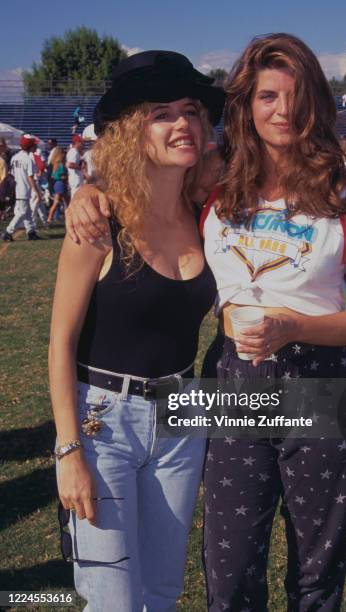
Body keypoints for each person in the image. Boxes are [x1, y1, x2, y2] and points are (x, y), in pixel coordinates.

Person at [64, 35, 346, 611]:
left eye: (296, 95)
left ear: (317, 100)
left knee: (316, 570)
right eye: (267, 96)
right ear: (246, 105)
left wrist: (292, 326)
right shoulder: (220, 178)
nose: (283, 111)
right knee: (229, 564)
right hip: (232, 383)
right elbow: (142, 174)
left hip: (327, 384)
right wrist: (90, 192)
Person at [49, 50, 224, 611]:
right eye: (161, 113)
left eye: (192, 110)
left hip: (181, 417)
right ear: (130, 130)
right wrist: (68, 450)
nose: (183, 124)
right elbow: (59, 343)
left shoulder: (206, 212)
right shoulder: (99, 221)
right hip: (103, 426)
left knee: (161, 592)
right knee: (111, 600)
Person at [2, 134, 42, 242]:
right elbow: (30, 177)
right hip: (23, 190)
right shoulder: (28, 159)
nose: (35, 147)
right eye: (34, 145)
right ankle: (8, 232)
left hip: (16, 188)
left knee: (27, 212)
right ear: (30, 146)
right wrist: (37, 192)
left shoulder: (15, 157)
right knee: (22, 213)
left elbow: (12, 174)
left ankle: (31, 232)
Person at [47, 147, 67, 223]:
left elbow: (53, 175)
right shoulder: (60, 165)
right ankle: (50, 217)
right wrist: (67, 176)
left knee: (64, 202)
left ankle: (65, 217)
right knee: (57, 202)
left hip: (57, 184)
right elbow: (61, 176)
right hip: (60, 184)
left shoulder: (54, 163)